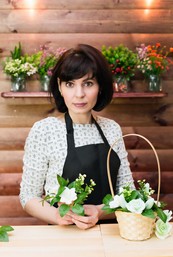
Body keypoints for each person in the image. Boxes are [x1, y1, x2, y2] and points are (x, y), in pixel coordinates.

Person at [19, 44, 134, 229]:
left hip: (112, 234)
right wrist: (57, 215)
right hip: (64, 237)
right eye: (70, 84)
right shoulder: (45, 131)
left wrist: (99, 212)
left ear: (100, 87)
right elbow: (28, 196)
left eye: (88, 83)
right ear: (60, 86)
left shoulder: (112, 129)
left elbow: (129, 194)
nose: (79, 94)